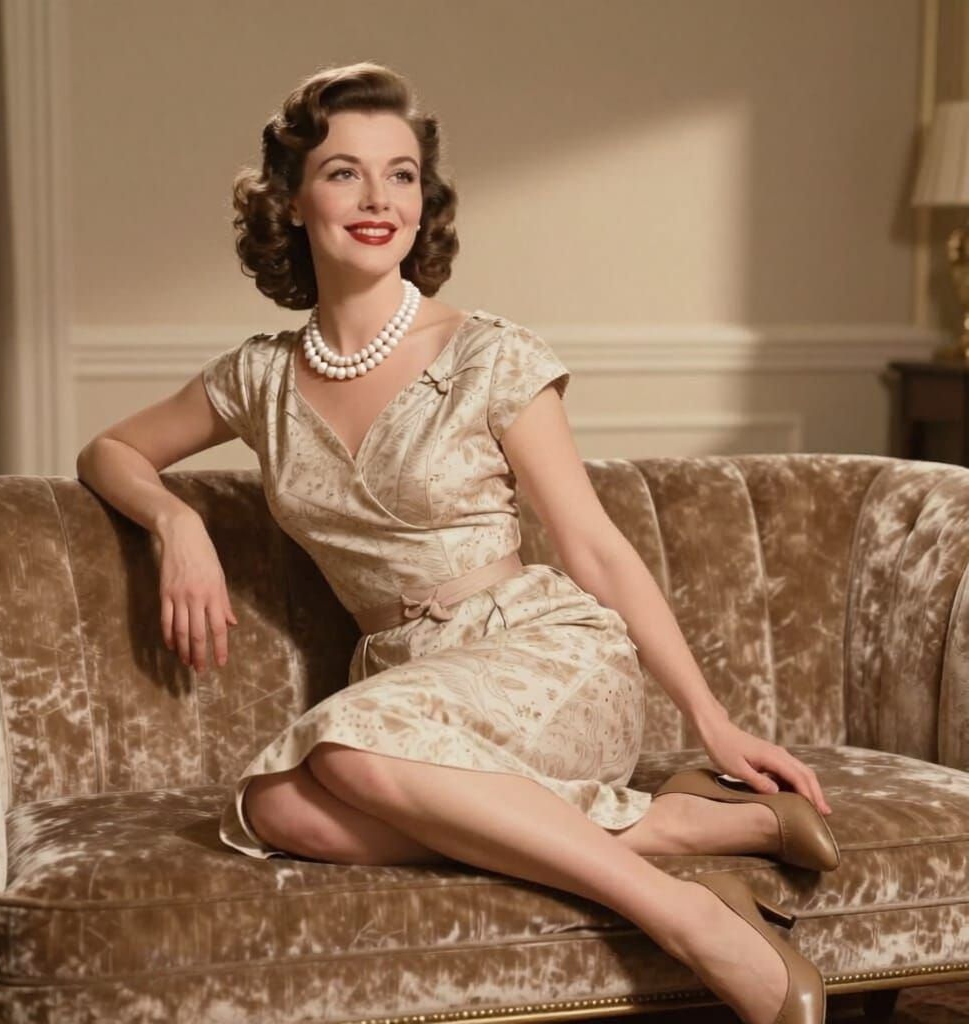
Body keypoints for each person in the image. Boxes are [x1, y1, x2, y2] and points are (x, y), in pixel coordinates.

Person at [76, 61, 837, 1024]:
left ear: (423, 200)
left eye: (401, 174)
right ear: (293, 199)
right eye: (345, 172)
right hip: (411, 684)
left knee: (345, 758)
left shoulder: (489, 354)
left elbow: (594, 547)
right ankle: (668, 828)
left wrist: (714, 723)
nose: (377, 198)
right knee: (276, 808)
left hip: (543, 659)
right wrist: (175, 523)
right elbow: (110, 450)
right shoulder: (259, 380)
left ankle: (689, 918)